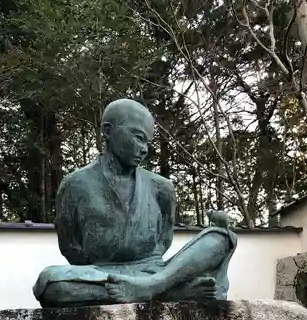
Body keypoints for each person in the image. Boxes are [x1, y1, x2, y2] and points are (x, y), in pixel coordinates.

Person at [33, 99, 237, 307]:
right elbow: (71, 247)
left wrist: (155, 276)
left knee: (222, 237)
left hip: (154, 272)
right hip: (100, 274)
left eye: (147, 142)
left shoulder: (161, 187)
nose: (144, 149)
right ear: (108, 131)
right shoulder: (75, 184)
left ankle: (155, 286)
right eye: (138, 138)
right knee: (51, 284)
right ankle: (171, 291)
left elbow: (163, 240)